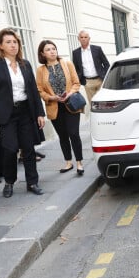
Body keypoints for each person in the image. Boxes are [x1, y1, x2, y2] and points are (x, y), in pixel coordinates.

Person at [0, 28, 46, 198]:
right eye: (8, 42)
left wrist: (39, 113)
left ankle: (32, 182)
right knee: (10, 148)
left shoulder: (25, 64)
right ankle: (9, 181)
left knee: (28, 148)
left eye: (15, 42)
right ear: (0, 45)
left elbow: (33, 91)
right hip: (5, 114)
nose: (13, 45)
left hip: (25, 112)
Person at [36, 40, 85, 176]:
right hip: (54, 107)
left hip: (71, 104)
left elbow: (76, 83)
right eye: (48, 49)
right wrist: (52, 98)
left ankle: (79, 162)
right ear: (42, 53)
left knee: (73, 134)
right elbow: (39, 90)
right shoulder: (40, 70)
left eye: (54, 48)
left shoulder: (67, 64)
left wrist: (69, 93)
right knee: (63, 136)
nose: (52, 51)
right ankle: (68, 162)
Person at [72, 29, 110, 105]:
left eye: (85, 37)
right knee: (93, 104)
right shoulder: (75, 53)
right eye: (81, 37)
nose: (83, 39)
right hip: (88, 82)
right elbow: (76, 68)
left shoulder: (97, 49)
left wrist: (105, 77)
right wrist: (81, 80)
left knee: (103, 102)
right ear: (78, 39)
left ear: (89, 38)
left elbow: (106, 64)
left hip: (100, 80)